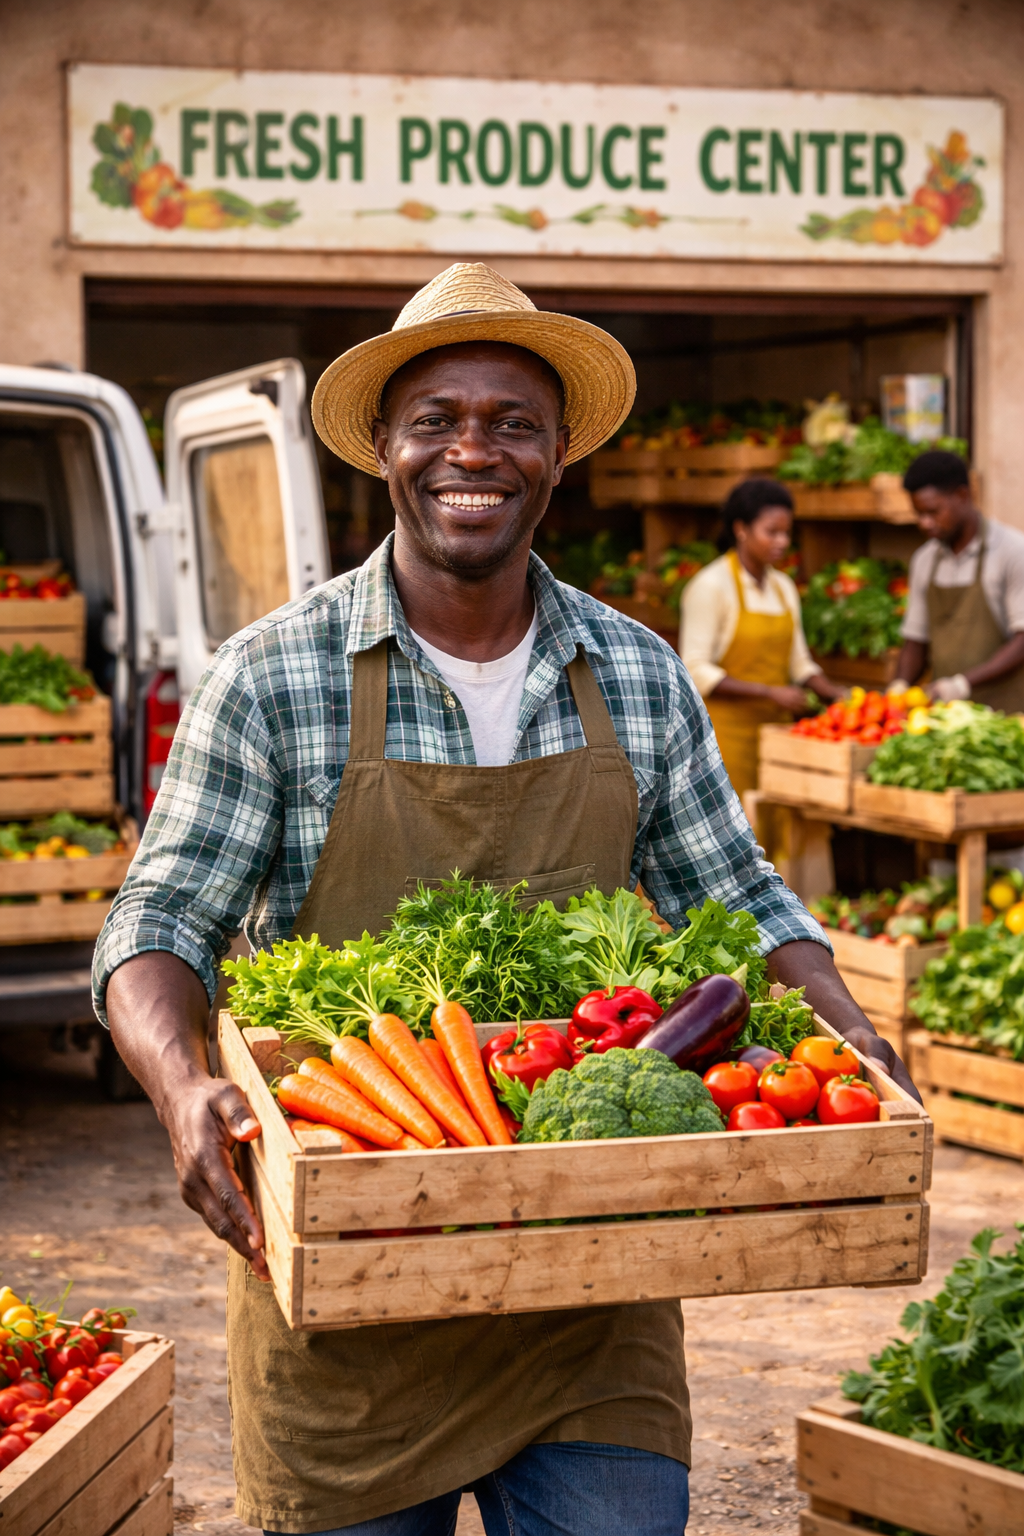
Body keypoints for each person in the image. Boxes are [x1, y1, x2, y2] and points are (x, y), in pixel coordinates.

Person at [94, 264, 917, 1536]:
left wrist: (843, 1020)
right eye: (435, 420)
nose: (470, 451)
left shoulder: (634, 671)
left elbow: (742, 896)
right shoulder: (272, 675)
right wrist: (178, 1085)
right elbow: (159, 923)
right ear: (383, 446)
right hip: (352, 1290)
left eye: (511, 422)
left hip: (592, 1292)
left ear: (560, 453)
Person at [680, 478, 844, 800]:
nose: (782, 542)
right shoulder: (711, 586)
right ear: (741, 529)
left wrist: (834, 694)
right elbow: (695, 670)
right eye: (772, 532)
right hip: (724, 740)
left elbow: (799, 662)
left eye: (787, 533)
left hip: (777, 737)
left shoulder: (783, 587)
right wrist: (769, 692)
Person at [891, 449, 1024, 707]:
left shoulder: (1012, 551)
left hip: (1006, 719)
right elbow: (915, 640)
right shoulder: (924, 560)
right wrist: (900, 685)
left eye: (933, 512)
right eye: (918, 514)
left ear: (963, 495)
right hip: (947, 720)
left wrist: (963, 684)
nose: (925, 523)